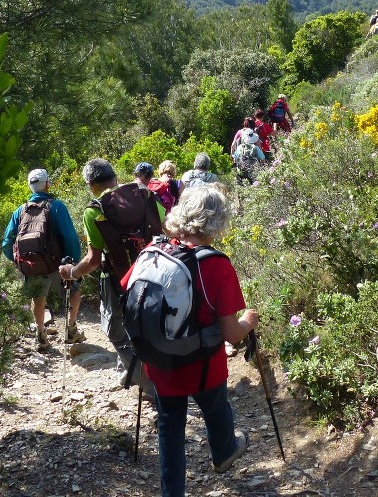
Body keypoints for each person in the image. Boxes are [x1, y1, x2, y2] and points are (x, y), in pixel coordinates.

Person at [120, 183, 258, 497]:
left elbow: (127, 290)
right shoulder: (216, 265)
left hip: (160, 362)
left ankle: (172, 493)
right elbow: (232, 335)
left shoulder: (151, 253)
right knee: (216, 406)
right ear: (218, 221)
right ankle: (224, 453)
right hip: (203, 366)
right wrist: (249, 320)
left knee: (170, 428)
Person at [59, 158, 162, 391]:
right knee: (155, 326)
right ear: (115, 177)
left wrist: (71, 272)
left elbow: (93, 260)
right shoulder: (143, 194)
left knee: (117, 332)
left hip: (120, 280)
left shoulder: (95, 210)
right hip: (157, 272)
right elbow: (166, 226)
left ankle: (149, 386)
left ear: (89, 183)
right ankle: (140, 374)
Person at [3, 168, 83, 352]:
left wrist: (17, 261)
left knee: (38, 297)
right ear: (47, 184)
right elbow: (69, 236)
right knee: (74, 290)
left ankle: (41, 335)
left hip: (31, 264)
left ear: (30, 187)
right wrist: (73, 261)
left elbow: (7, 241)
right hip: (58, 263)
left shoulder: (20, 211)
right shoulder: (57, 206)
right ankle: (71, 329)